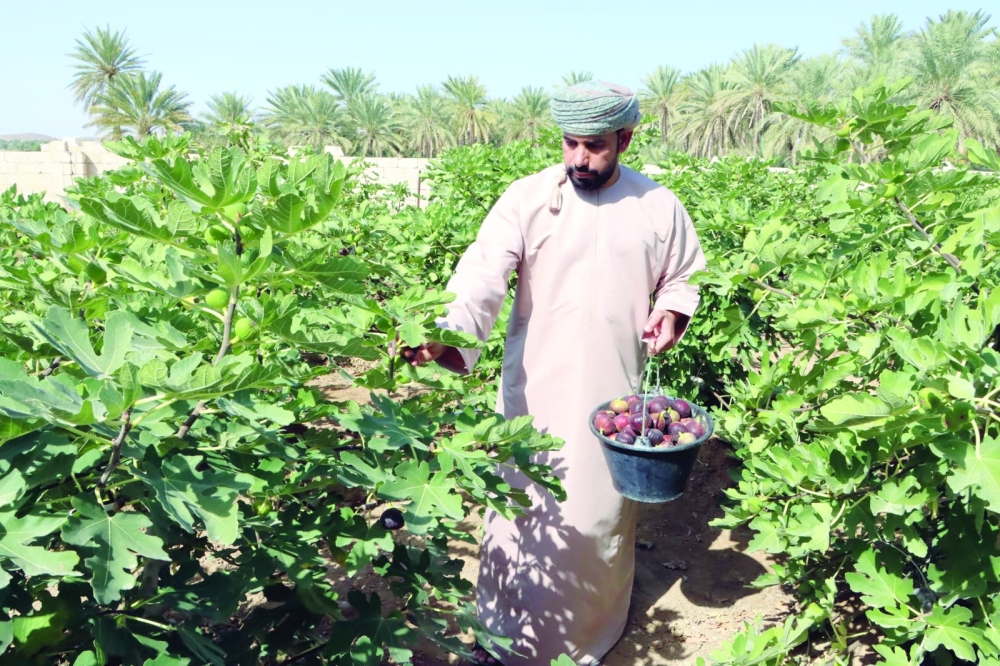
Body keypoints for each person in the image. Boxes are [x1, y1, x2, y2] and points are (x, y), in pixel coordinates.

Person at [406, 81, 707, 665]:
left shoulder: (657, 205)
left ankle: (582, 638)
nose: (578, 159)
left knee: (595, 518)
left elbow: (682, 277)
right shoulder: (527, 198)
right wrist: (447, 333)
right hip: (535, 386)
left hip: (613, 397)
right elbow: (481, 276)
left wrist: (671, 312)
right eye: (570, 144)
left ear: (624, 137)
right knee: (518, 508)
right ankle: (497, 635)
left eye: (593, 146)